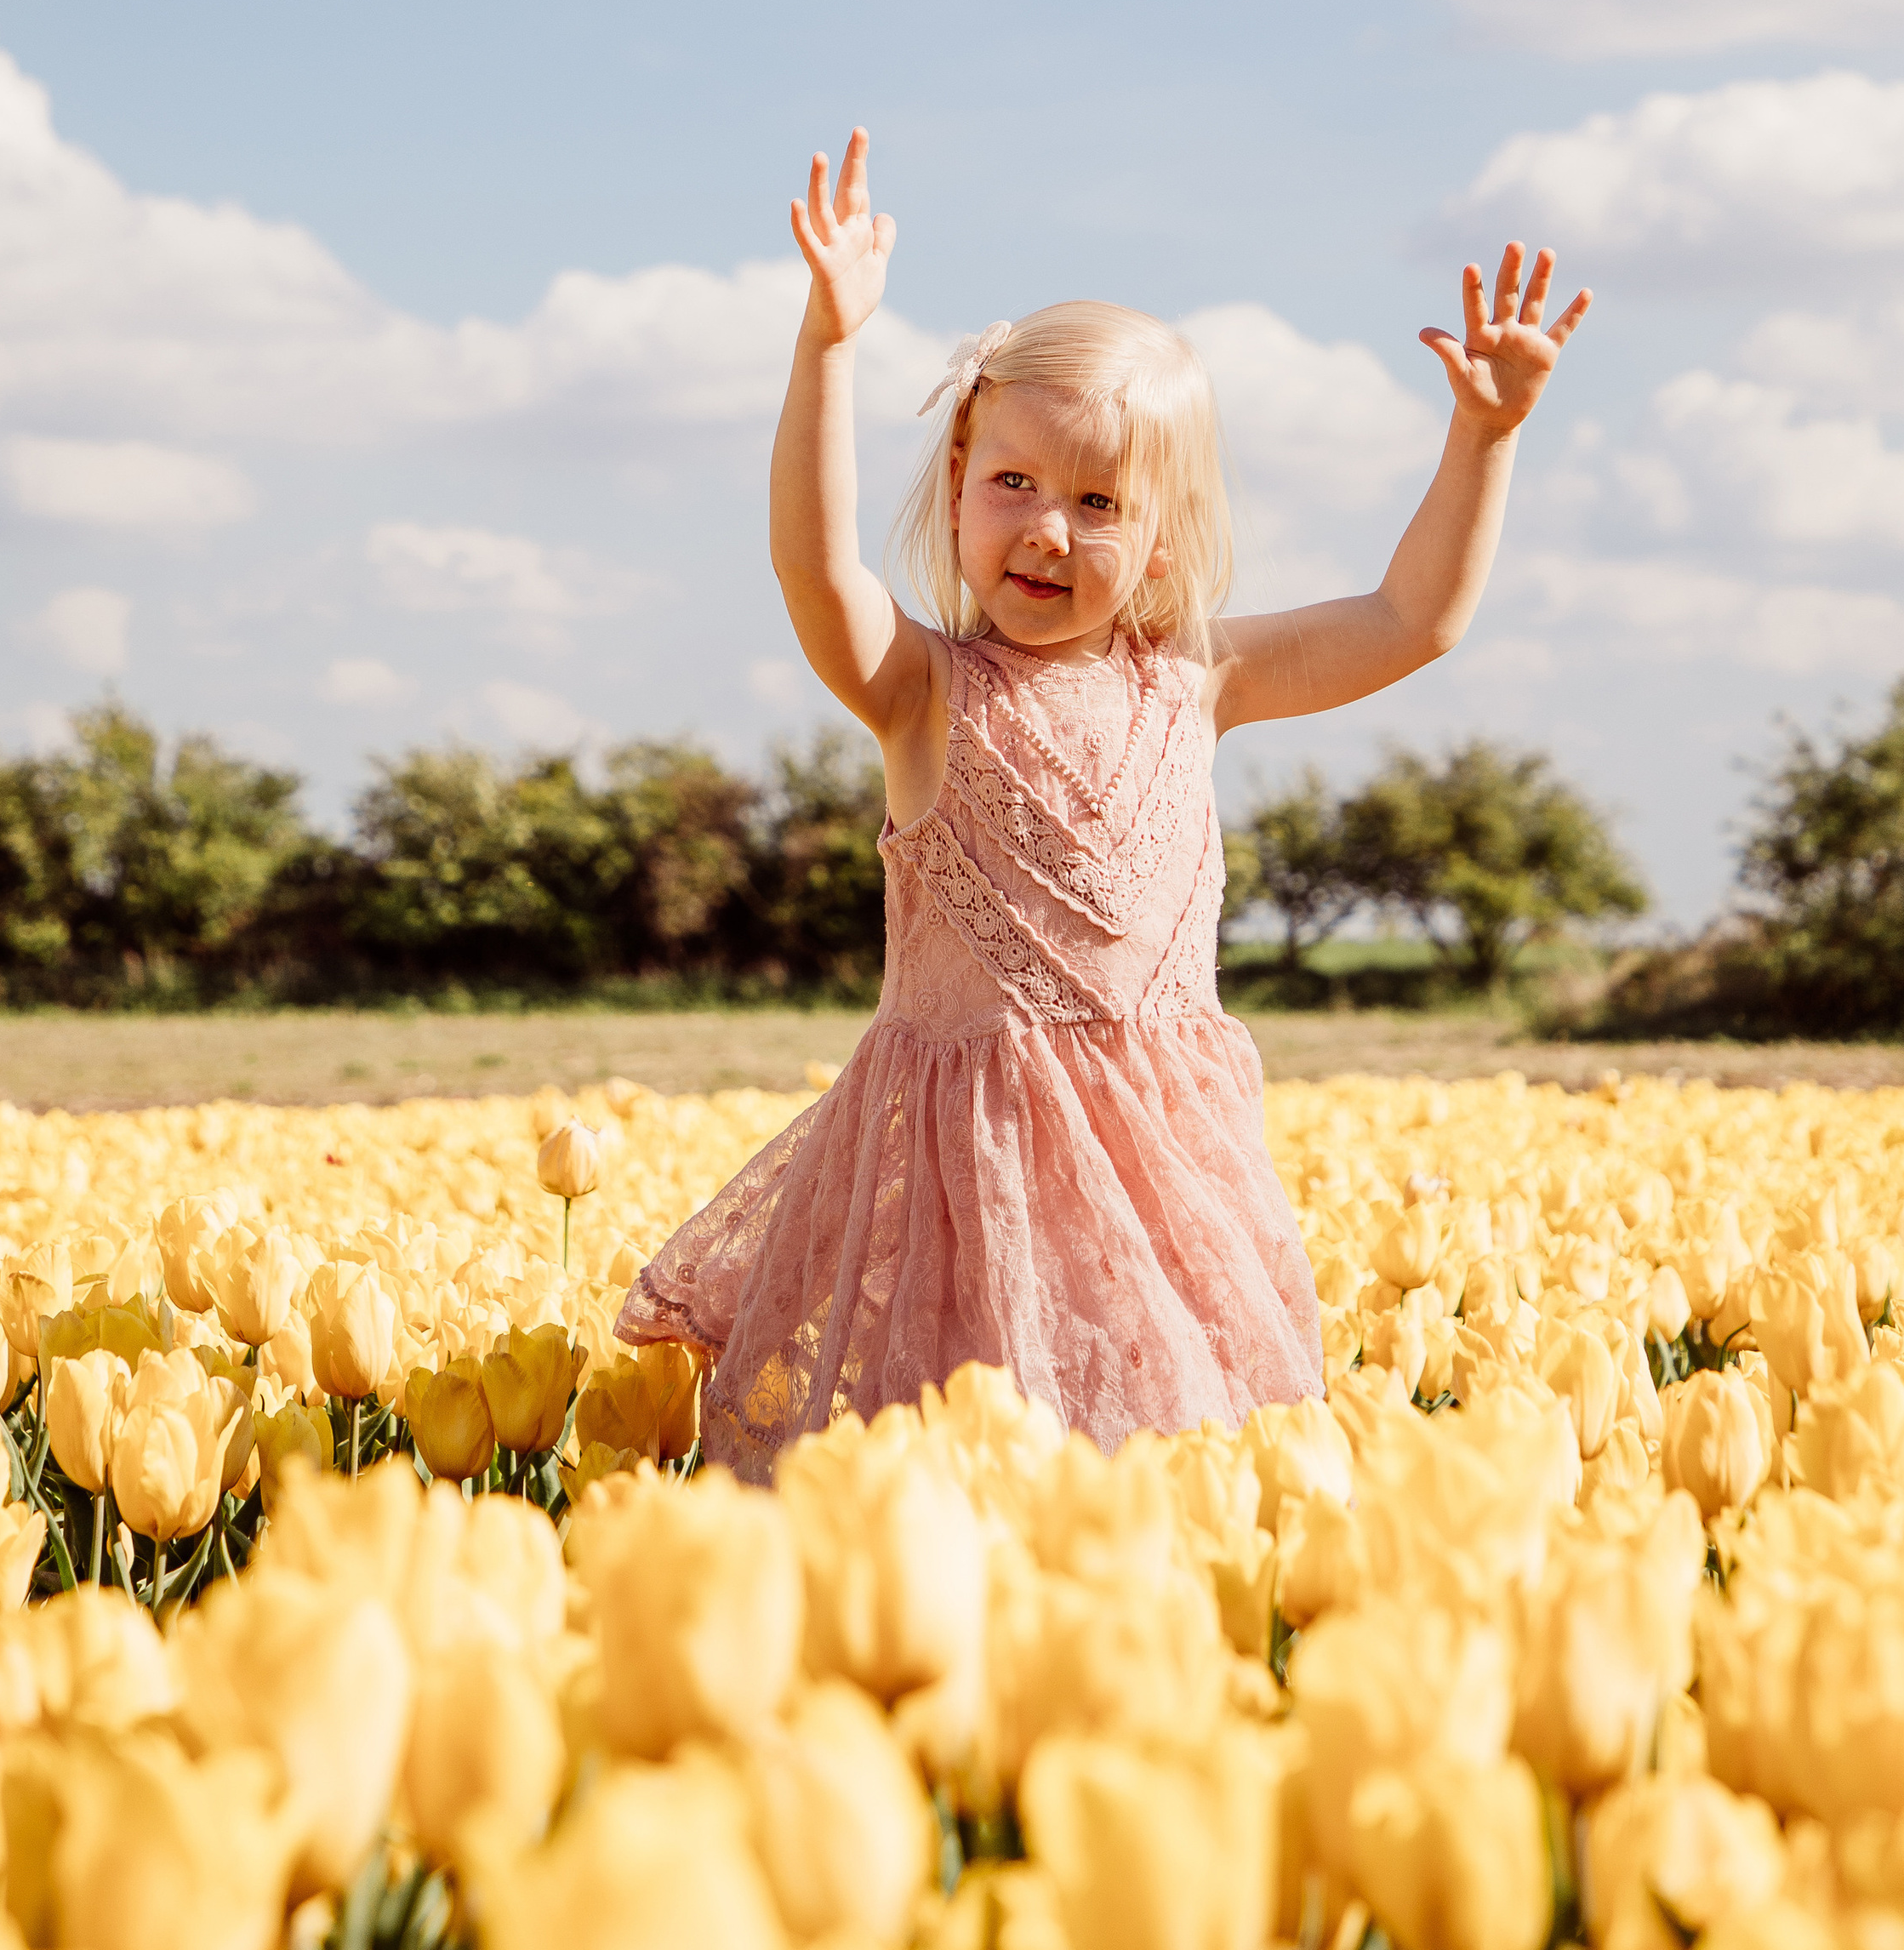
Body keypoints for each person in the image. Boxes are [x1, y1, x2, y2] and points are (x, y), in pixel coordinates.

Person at [617, 127, 1590, 1476]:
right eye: (1011, 483)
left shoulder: (1201, 679)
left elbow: (1412, 617)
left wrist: (1484, 437)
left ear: (1164, 538)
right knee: (959, 1485)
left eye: (1098, 500)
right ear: (955, 483)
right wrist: (827, 349)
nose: (1048, 531)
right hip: (969, 1191)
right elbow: (814, 571)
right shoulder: (922, 692)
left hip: (1168, 1193)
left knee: (1169, 1478)